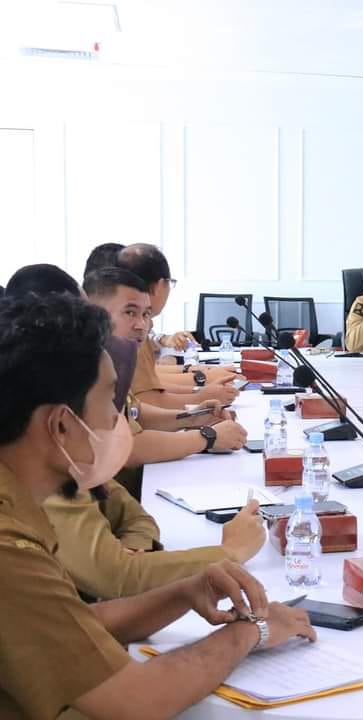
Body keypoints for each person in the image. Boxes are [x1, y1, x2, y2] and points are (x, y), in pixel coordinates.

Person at [0, 292, 315, 719]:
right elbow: (134, 701)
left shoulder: (20, 500)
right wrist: (251, 632)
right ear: (60, 425)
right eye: (110, 402)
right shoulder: (9, 548)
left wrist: (183, 592)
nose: (121, 421)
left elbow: (72, 626)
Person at [83, 268, 249, 462]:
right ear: (94, 313)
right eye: (130, 312)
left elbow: (136, 414)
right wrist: (208, 437)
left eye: (146, 314)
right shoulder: (89, 370)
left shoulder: (114, 359)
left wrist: (193, 416)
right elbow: (126, 447)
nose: (142, 325)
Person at [116, 244, 241, 408]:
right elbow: (146, 400)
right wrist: (201, 392)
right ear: (160, 285)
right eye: (170, 283)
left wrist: (201, 379)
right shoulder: (131, 330)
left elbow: (152, 382)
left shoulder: (134, 323)